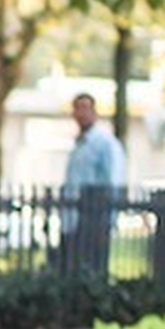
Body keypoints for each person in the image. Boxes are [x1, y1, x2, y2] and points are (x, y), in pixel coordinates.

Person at [59, 93, 128, 279]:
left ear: (95, 112)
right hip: (73, 218)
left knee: (92, 269)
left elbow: (113, 180)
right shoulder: (79, 145)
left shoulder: (104, 144)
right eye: (77, 108)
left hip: (94, 216)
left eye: (85, 108)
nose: (81, 114)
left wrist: (109, 218)